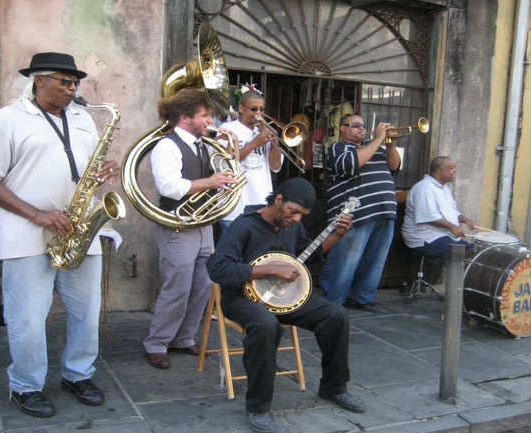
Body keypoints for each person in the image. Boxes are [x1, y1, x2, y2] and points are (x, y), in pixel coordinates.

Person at [0, 52, 119, 417]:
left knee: (85, 312)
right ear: (38, 80)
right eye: (64, 81)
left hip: (78, 229)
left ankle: (78, 373)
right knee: (27, 316)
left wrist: (105, 170)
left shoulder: (83, 119)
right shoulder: (6, 121)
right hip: (27, 231)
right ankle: (25, 385)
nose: (72, 88)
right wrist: (38, 215)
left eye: (75, 82)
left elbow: (86, 169)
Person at [207, 177, 365, 433]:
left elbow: (307, 256)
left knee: (335, 315)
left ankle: (334, 388)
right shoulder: (244, 226)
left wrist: (336, 235)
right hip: (241, 298)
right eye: (293, 211)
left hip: (283, 297)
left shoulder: (292, 227)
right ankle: (258, 407)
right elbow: (218, 268)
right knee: (266, 325)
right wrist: (268, 269)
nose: (297, 219)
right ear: (278, 200)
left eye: (302, 215)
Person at [144, 88, 237, 369]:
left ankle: (183, 338)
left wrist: (230, 150)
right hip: (177, 225)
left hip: (202, 224)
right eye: (205, 115)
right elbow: (170, 188)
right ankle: (157, 343)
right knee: (178, 287)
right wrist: (210, 182)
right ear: (185, 117)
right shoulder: (166, 146)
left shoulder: (203, 144)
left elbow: (226, 172)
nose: (210, 121)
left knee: (203, 285)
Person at [320, 113, 400, 310]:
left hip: (383, 210)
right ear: (342, 128)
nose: (361, 129)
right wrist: (379, 138)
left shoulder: (377, 148)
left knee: (375, 260)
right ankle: (333, 301)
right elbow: (350, 165)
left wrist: (389, 145)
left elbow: (394, 166)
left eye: (363, 126)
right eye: (355, 125)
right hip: (354, 213)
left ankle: (361, 298)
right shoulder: (338, 148)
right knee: (345, 259)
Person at [217, 86, 283, 233]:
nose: (259, 114)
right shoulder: (228, 128)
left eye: (262, 109)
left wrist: (275, 143)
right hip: (235, 208)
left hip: (261, 206)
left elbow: (276, 166)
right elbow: (227, 163)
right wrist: (254, 143)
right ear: (241, 108)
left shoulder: (263, 131)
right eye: (254, 109)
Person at [401, 156, 475, 257]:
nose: (454, 171)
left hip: (441, 234)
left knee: (474, 251)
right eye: (451, 168)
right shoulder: (424, 188)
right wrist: (452, 227)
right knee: (462, 252)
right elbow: (429, 217)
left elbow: (452, 212)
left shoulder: (445, 188)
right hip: (424, 237)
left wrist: (466, 220)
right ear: (439, 170)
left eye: (454, 168)